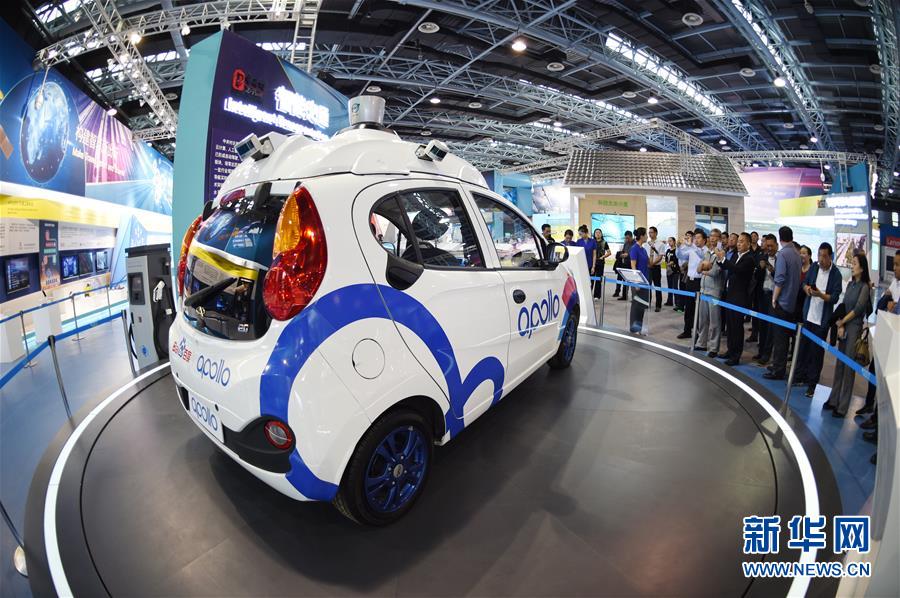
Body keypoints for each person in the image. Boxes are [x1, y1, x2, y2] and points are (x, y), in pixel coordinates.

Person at [823, 254, 872, 417]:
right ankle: (833, 399)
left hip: (854, 328)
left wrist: (842, 322)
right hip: (844, 327)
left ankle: (843, 407)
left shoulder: (865, 287)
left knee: (848, 369)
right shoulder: (851, 284)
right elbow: (845, 305)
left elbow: (858, 309)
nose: (852, 266)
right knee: (839, 365)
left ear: (862, 268)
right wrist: (841, 324)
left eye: (855, 263)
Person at [794, 243, 842, 398]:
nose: (821, 259)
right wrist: (807, 289)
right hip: (808, 315)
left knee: (816, 353)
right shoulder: (814, 267)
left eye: (824, 256)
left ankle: (812, 384)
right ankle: (799, 376)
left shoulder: (836, 274)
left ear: (831, 256)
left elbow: (834, 298)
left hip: (822, 320)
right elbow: (804, 283)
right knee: (803, 349)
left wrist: (821, 295)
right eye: (819, 255)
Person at [764, 226, 801, 380]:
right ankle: (778, 365)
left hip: (782, 302)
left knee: (779, 338)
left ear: (779, 238)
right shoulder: (797, 254)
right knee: (784, 338)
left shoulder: (783, 254)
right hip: (791, 302)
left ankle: (778, 369)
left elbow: (779, 279)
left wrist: (774, 298)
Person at [716, 232, 755, 365]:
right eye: (738, 241)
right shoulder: (736, 256)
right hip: (730, 294)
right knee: (730, 325)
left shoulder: (749, 259)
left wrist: (724, 260)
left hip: (739, 296)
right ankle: (730, 350)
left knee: (737, 327)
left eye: (742, 241)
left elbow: (737, 270)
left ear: (748, 244)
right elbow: (728, 267)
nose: (739, 244)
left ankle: (736, 355)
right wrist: (720, 260)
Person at [676, 228, 707, 340]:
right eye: (695, 238)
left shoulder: (705, 251)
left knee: (697, 309)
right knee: (688, 308)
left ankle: (698, 333)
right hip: (689, 281)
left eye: (698, 238)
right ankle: (687, 331)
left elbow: (702, 257)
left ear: (704, 240)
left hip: (699, 282)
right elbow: (681, 256)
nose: (696, 240)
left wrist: (691, 245)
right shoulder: (692, 249)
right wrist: (678, 247)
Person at [695, 230, 723, 357]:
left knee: (714, 322)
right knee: (703, 319)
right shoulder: (707, 253)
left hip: (714, 291)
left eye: (715, 236)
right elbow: (698, 269)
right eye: (711, 236)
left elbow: (715, 272)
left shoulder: (720, 253)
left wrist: (705, 269)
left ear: (719, 239)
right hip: (703, 290)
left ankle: (713, 347)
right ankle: (701, 343)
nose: (712, 238)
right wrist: (704, 267)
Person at [754, 234, 778, 364]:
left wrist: (771, 269)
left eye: (771, 246)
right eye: (767, 245)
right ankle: (761, 351)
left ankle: (767, 354)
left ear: (776, 245)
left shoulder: (780, 259)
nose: (768, 248)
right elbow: (757, 277)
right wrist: (760, 268)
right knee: (762, 325)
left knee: (770, 327)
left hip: (774, 296)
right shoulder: (762, 257)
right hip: (762, 294)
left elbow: (780, 278)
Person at [629, 227, 650, 333]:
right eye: (646, 234)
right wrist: (636, 281)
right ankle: (633, 329)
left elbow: (649, 263)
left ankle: (639, 328)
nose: (647, 236)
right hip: (638, 281)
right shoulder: (634, 248)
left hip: (645, 281)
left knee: (642, 306)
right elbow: (633, 266)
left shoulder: (644, 249)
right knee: (636, 305)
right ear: (641, 236)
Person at [646, 226, 667, 312]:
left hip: (656, 267)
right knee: (648, 286)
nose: (650, 234)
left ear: (656, 233)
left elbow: (660, 256)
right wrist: (648, 264)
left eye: (651, 232)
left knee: (657, 286)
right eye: (649, 232)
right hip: (648, 267)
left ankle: (658, 305)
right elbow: (646, 255)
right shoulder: (646, 244)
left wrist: (652, 264)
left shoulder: (660, 244)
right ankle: (648, 303)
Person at [613, 230, 634, 301]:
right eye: (626, 238)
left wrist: (627, 255)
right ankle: (622, 294)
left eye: (628, 238)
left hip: (630, 265)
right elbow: (624, 251)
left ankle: (629, 296)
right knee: (620, 279)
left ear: (631, 237)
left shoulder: (635, 244)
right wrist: (622, 254)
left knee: (628, 281)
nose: (627, 239)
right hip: (623, 263)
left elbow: (633, 254)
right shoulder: (626, 243)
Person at [592, 228, 611, 300]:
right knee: (591, 278)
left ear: (601, 234)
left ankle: (597, 295)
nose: (597, 234)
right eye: (596, 232)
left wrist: (602, 257)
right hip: (592, 263)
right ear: (594, 234)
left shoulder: (604, 242)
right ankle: (589, 294)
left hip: (600, 263)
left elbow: (609, 252)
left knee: (598, 279)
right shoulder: (592, 242)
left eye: (599, 232)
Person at [664, 237, 681, 307]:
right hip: (669, 271)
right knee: (669, 287)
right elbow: (666, 259)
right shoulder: (668, 250)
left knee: (675, 287)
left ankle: (677, 302)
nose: (669, 242)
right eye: (668, 241)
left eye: (670, 241)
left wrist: (669, 264)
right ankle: (669, 301)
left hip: (675, 271)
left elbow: (675, 260)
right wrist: (667, 264)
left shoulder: (676, 250)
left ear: (674, 242)